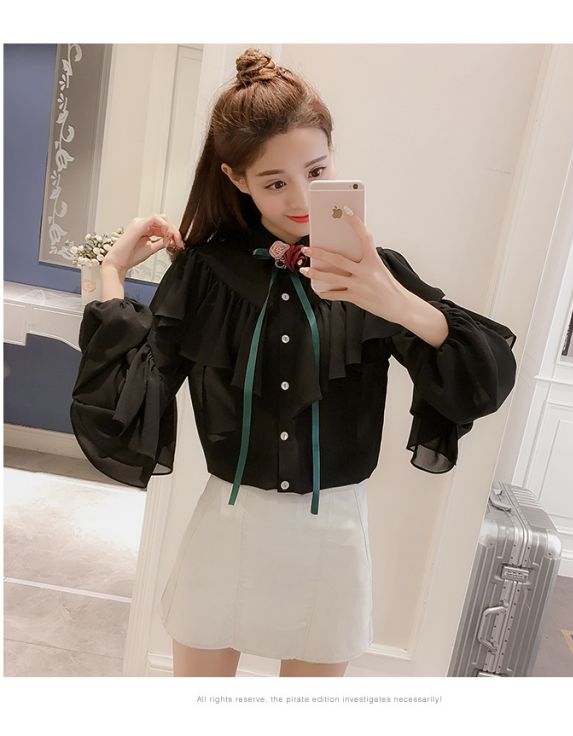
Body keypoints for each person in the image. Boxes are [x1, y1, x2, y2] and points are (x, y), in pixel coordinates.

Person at [70, 48, 518, 678]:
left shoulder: (372, 272)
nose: (302, 197)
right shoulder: (207, 273)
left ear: (333, 157)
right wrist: (113, 272)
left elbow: (483, 378)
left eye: (317, 170)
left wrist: (395, 302)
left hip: (332, 536)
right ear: (237, 179)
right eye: (275, 182)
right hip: (229, 528)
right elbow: (127, 401)